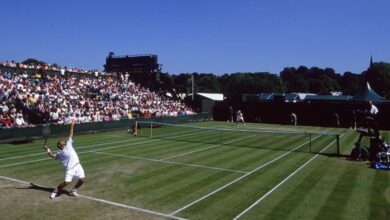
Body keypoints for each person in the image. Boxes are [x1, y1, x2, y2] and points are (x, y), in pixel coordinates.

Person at [42, 120, 85, 199]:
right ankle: (55, 191)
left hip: (78, 165)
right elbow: (52, 155)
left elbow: (71, 134)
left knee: (82, 180)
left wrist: (72, 125)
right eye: (61, 141)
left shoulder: (69, 144)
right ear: (59, 145)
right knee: (66, 182)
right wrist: (47, 149)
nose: (63, 141)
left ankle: (74, 190)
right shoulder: (59, 153)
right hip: (69, 169)